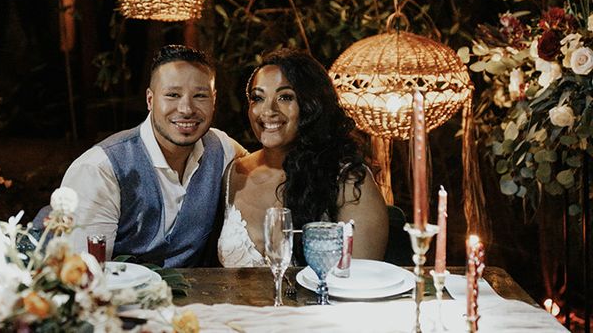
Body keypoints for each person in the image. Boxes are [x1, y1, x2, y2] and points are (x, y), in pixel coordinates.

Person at [60, 44, 246, 267]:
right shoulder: (99, 168)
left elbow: (265, 171)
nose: (186, 108)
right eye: (173, 95)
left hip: (197, 298)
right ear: (150, 100)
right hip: (120, 298)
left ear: (214, 100)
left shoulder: (222, 148)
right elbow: (81, 272)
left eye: (200, 96)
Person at [217, 48, 388, 267]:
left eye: (285, 97)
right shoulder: (233, 175)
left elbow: (362, 282)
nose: (268, 110)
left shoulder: (349, 181)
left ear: (311, 105)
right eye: (258, 98)